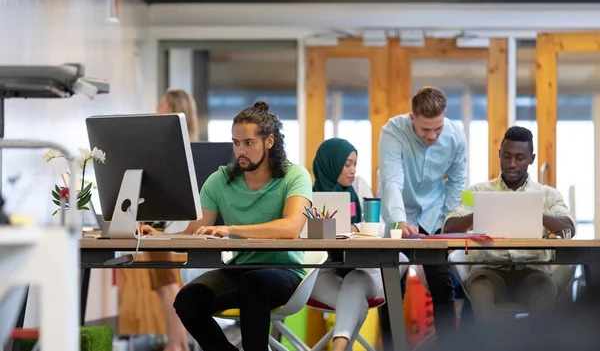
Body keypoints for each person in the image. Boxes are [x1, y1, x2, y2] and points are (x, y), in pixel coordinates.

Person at [141, 101, 312, 351]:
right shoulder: (220, 180)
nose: (240, 150)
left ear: (269, 141)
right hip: (240, 270)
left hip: (285, 271)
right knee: (187, 300)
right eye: (235, 142)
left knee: (254, 283)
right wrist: (159, 236)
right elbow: (194, 232)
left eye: (248, 143)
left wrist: (231, 229)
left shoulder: (295, 175)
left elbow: (290, 228)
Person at [443, 126, 575, 323]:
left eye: (519, 158)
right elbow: (449, 228)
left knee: (546, 291)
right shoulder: (478, 192)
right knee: (479, 289)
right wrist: (479, 213)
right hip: (488, 272)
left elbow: (568, 228)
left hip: (533, 272)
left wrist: (535, 214)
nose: (512, 164)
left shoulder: (548, 194)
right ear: (499, 155)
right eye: (506, 156)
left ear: (531, 158)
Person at [378, 85, 467, 342]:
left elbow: (456, 182)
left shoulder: (455, 135)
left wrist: (451, 224)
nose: (432, 136)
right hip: (398, 215)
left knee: (442, 283)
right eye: (425, 129)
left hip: (433, 214)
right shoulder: (392, 132)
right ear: (412, 117)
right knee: (393, 285)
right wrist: (400, 220)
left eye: (437, 128)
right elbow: (392, 180)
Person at [309, 138, 383, 351]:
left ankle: (338, 348)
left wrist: (355, 228)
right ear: (330, 164)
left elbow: (377, 224)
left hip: (363, 270)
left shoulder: (359, 185)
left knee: (355, 281)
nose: (352, 170)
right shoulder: (310, 195)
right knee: (353, 301)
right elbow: (304, 235)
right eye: (347, 164)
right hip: (324, 273)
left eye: (355, 164)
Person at [148, 89, 199, 351]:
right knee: (166, 285)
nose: (157, 108)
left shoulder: (170, 147)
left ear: (171, 109)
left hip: (165, 223)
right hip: (165, 221)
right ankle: (179, 344)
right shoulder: (187, 145)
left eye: (161, 104)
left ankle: (175, 345)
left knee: (167, 285)